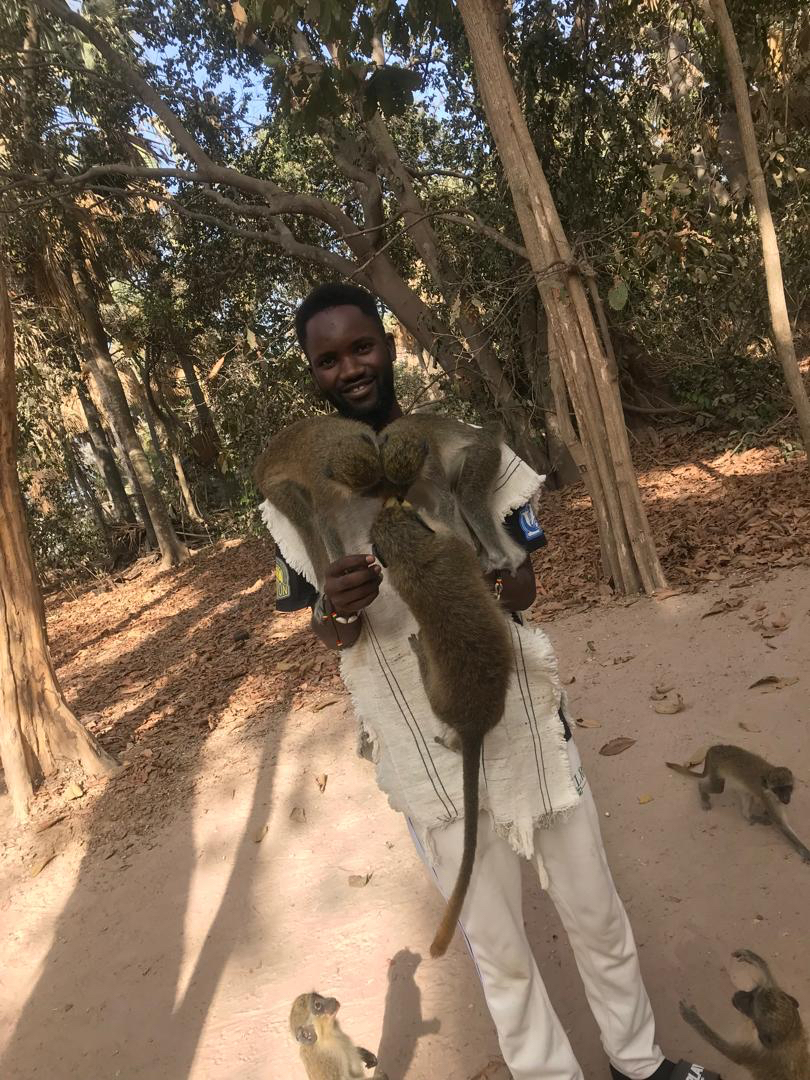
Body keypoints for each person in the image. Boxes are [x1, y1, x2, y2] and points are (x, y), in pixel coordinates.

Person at [266, 283, 716, 1080]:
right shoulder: (293, 501)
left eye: (361, 347)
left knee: (595, 910)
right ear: (313, 374)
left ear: (387, 346)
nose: (350, 368)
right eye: (328, 359)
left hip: (523, 719)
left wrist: (492, 573)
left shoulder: (461, 447)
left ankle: (640, 1064)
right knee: (500, 949)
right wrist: (336, 607)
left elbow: (525, 582)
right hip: (423, 744)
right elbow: (325, 633)